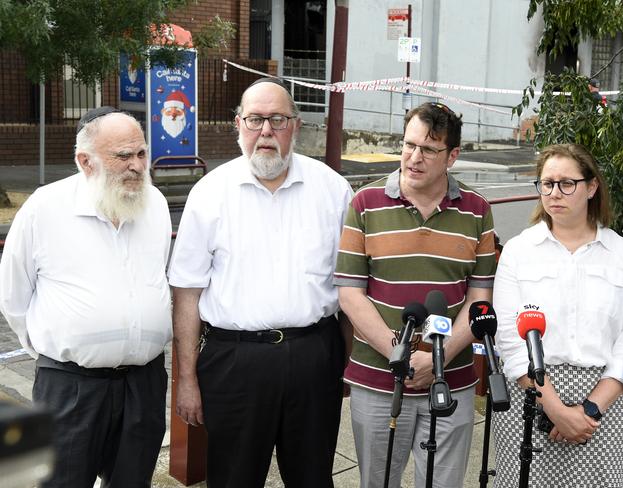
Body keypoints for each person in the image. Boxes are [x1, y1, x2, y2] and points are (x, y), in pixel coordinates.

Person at [168, 77, 354, 488]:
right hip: (234, 364)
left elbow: (352, 287)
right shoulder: (209, 194)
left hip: (314, 357)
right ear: (238, 125)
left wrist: (346, 363)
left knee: (312, 478)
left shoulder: (333, 190)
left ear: (296, 125)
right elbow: (186, 295)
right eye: (255, 120)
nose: (266, 131)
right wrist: (187, 382)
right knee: (233, 478)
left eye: (277, 120)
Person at [0, 107, 172, 488]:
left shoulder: (155, 204)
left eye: (141, 153)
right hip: (72, 387)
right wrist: (61, 352)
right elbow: (13, 297)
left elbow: (157, 274)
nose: (137, 166)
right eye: (123, 156)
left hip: (144, 383)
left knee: (133, 480)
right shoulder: (44, 208)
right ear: (85, 161)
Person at [334, 102, 497, 488]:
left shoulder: (477, 212)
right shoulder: (364, 204)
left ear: (452, 156)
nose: (413, 157)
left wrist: (437, 358)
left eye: (428, 149)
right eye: (408, 145)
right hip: (377, 380)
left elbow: (479, 297)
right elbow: (350, 295)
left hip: (450, 381)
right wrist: (401, 354)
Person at [492, 143, 623, 487]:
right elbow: (510, 341)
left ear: (591, 187)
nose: (554, 193)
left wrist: (590, 410)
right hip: (532, 396)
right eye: (547, 184)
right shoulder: (519, 251)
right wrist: (557, 410)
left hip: (602, 405)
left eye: (566, 183)